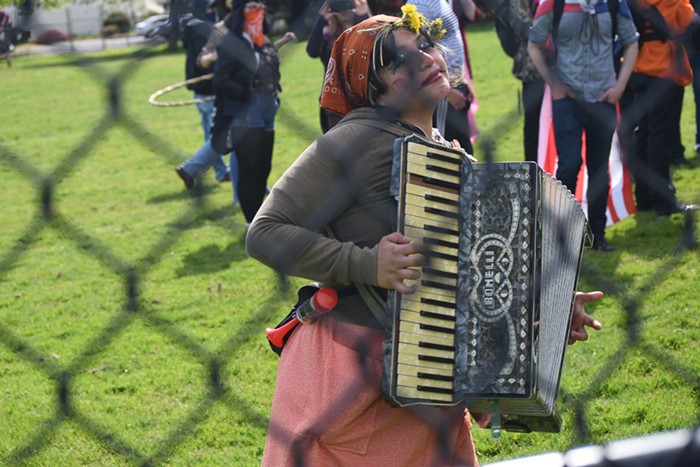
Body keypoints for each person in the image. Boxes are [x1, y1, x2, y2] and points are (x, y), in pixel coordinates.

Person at [247, 8, 604, 465]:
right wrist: (367, 263)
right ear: (374, 84)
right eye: (401, 58)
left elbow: (480, 265)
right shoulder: (352, 140)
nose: (428, 58)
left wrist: (548, 305)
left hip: (430, 372)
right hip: (349, 380)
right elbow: (265, 232)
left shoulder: (444, 147)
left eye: (426, 46)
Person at [528, 0, 639, 251]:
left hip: (604, 98)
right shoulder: (553, 4)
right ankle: (560, 235)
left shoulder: (612, 3)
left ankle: (597, 235)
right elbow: (533, 44)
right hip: (568, 99)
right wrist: (553, 83)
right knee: (569, 163)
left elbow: (631, 41)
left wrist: (620, 85)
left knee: (599, 169)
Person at [213, 0, 295, 227]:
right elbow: (220, 80)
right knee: (249, 169)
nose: (256, 10)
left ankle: (259, 219)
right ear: (240, 11)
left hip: (268, 107)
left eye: (259, 5)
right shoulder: (232, 40)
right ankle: (252, 224)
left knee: (263, 168)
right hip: (246, 111)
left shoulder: (263, 39)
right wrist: (247, 95)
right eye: (250, 6)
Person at [627, 0, 700, 215]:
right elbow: (692, 24)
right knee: (661, 135)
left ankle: (644, 198)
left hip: (639, 68)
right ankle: (663, 200)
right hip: (667, 70)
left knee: (644, 133)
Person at [175, 0, 233, 189]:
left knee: (212, 134)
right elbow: (212, 60)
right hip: (210, 90)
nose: (213, 11)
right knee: (219, 136)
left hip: (200, 92)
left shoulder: (190, 28)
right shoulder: (205, 31)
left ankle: (220, 172)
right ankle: (190, 168)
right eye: (209, 7)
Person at [407, 0, 475, 154]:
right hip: (441, 87)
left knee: (463, 147)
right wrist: (448, 92)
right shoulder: (420, 5)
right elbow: (418, 53)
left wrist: (462, 81)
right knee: (445, 148)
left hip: (454, 82)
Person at [306, 0, 371, 133]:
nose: (345, 9)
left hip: (363, 97)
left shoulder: (365, 26)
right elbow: (312, 50)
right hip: (335, 100)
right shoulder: (327, 33)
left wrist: (363, 15)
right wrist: (322, 16)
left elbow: (373, 43)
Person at [506, 0, 545, 163]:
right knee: (533, 125)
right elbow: (521, 24)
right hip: (532, 71)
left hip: (559, 69)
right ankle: (533, 166)